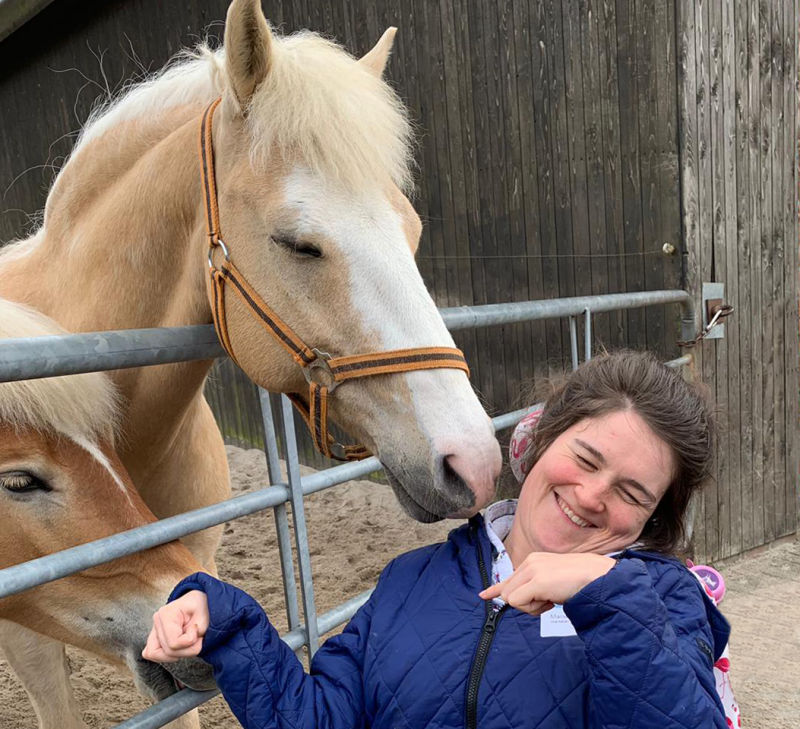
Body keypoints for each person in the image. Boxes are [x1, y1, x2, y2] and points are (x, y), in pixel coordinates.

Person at [144, 350, 731, 729]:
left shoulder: (665, 607)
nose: (593, 495)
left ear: (652, 523)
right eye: (585, 458)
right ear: (540, 442)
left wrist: (608, 595)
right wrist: (226, 618)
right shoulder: (411, 580)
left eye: (631, 493)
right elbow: (317, 720)